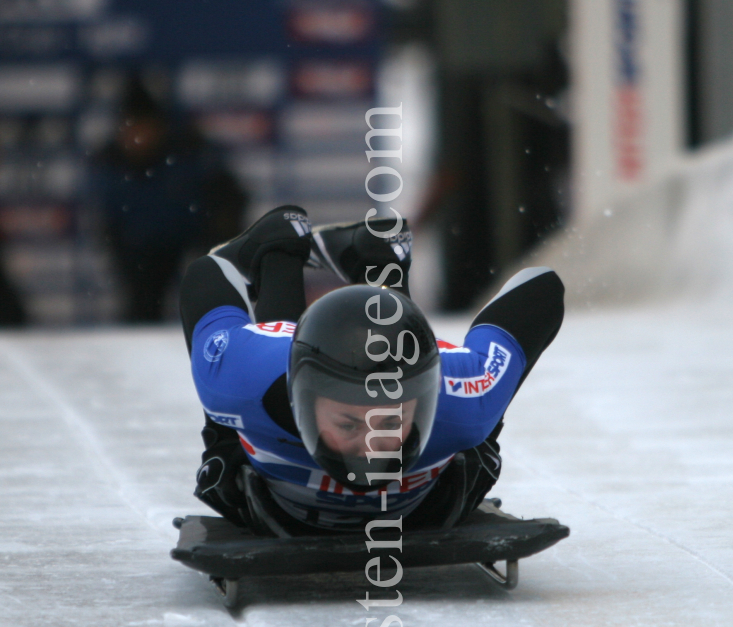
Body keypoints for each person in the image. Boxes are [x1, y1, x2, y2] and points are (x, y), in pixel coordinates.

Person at [179, 205, 564, 534]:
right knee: (275, 344)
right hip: (277, 382)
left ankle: (370, 259)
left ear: (428, 402)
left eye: (389, 422)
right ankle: (278, 250)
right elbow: (205, 276)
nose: (369, 449)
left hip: (307, 487)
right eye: (348, 424)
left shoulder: (466, 395)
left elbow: (544, 288)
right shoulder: (241, 376)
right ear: (302, 401)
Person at [93, 74, 246, 323]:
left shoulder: (191, 150)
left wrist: (220, 238)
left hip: (195, 239)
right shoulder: (110, 162)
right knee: (141, 307)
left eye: (143, 127)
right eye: (131, 128)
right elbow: (109, 222)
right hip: (143, 250)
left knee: (213, 295)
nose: (137, 136)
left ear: (159, 126)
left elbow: (230, 199)